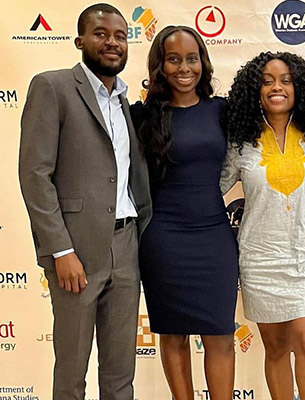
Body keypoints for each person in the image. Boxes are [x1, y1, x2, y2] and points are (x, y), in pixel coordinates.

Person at [18, 3, 152, 399]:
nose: (111, 42)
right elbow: (35, 174)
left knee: (120, 374)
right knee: (72, 373)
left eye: (119, 36)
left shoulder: (125, 101)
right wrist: (61, 250)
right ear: (79, 40)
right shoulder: (52, 86)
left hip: (127, 247)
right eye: (100, 33)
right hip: (76, 251)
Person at [132, 26, 238, 400]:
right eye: (173, 59)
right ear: (159, 65)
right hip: (163, 240)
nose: (183, 67)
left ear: (203, 62)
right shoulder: (140, 117)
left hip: (214, 237)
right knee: (172, 334)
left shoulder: (223, 111)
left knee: (221, 335)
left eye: (191, 58)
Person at [221, 52, 305, 400]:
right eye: (267, 81)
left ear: (300, 88)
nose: (276, 87)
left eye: (285, 80)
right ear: (255, 90)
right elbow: (210, 187)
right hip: (259, 259)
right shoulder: (240, 142)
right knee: (277, 348)